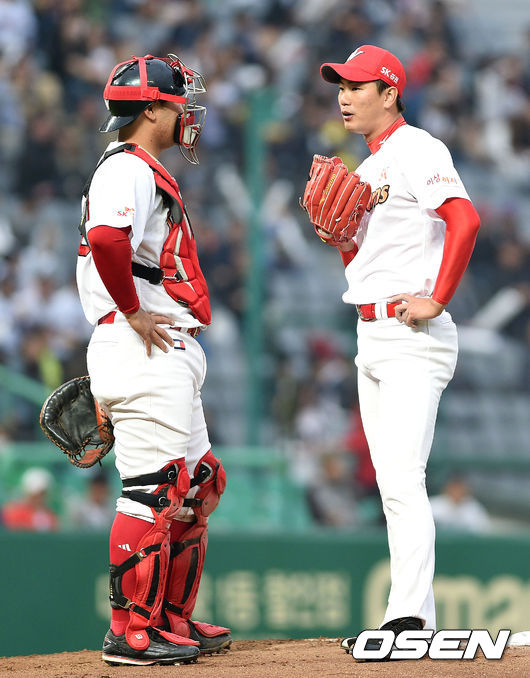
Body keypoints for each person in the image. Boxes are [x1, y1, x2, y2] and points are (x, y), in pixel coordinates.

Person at [311, 45, 481, 658]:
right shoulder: (370, 166)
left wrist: (438, 298)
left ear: (389, 93)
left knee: (404, 479)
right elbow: (365, 267)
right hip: (372, 333)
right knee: (391, 485)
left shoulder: (417, 148)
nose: (344, 96)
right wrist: (339, 240)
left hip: (412, 336)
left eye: (357, 86)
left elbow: (464, 220)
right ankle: (414, 615)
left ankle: (408, 618)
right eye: (340, 86)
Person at [76, 53, 230, 666]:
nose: (186, 112)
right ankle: (129, 630)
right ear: (151, 109)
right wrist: (133, 310)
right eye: (177, 102)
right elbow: (107, 238)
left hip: (160, 345)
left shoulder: (139, 168)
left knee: (199, 483)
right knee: (152, 490)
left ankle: (169, 617)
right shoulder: (127, 167)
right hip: (141, 341)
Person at [1, 467, 59, 531]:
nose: (39, 498)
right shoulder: (13, 513)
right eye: (36, 495)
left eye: (42, 494)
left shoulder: (51, 516)